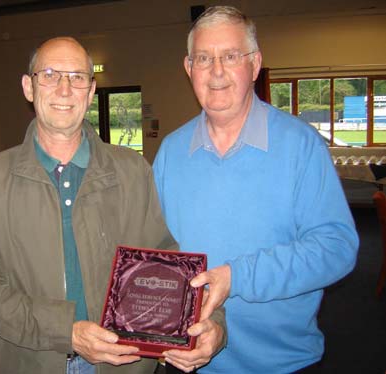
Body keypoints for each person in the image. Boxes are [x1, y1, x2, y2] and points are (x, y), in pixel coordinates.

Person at [0, 36, 224, 374]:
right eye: (50, 75)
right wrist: (65, 332)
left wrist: (211, 325)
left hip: (121, 364)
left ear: (91, 90)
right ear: (28, 87)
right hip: (27, 361)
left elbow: (164, 262)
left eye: (77, 77)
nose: (65, 89)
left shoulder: (131, 170)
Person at [153, 6, 359, 373]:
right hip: (187, 361)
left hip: (280, 364)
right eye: (203, 58)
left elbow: (337, 249)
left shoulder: (301, 146)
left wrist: (236, 277)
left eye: (230, 56)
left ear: (255, 64)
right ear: (189, 69)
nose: (216, 71)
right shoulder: (171, 151)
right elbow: (155, 248)